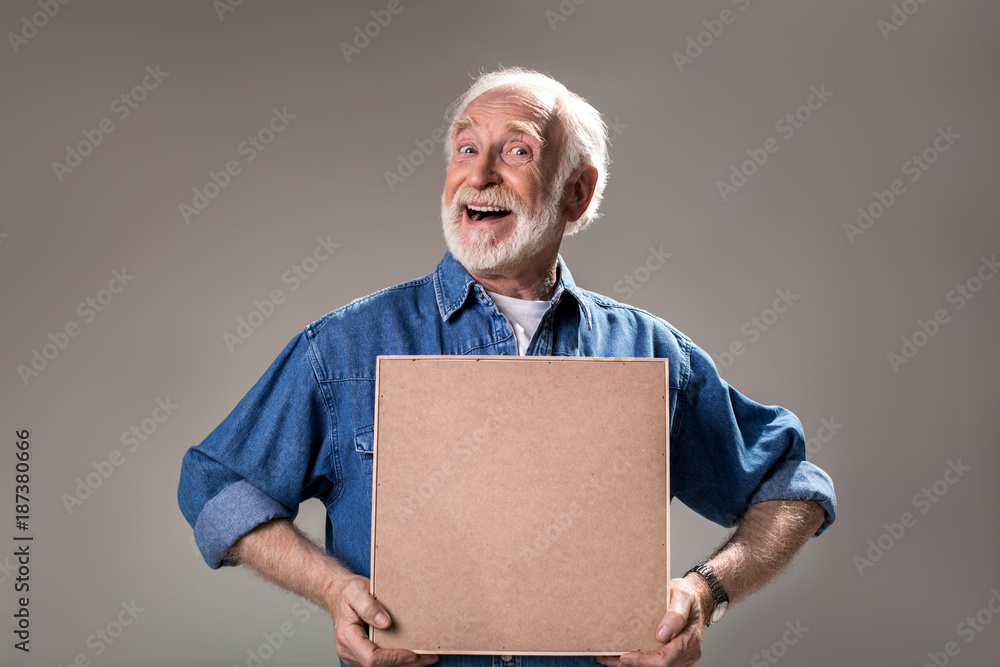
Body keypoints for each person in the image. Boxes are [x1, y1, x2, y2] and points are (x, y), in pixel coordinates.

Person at [178, 67, 836, 667]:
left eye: (517, 151)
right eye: (466, 148)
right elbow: (215, 484)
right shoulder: (344, 348)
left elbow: (791, 487)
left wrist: (705, 592)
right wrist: (331, 587)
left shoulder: (652, 354)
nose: (480, 174)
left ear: (577, 193)